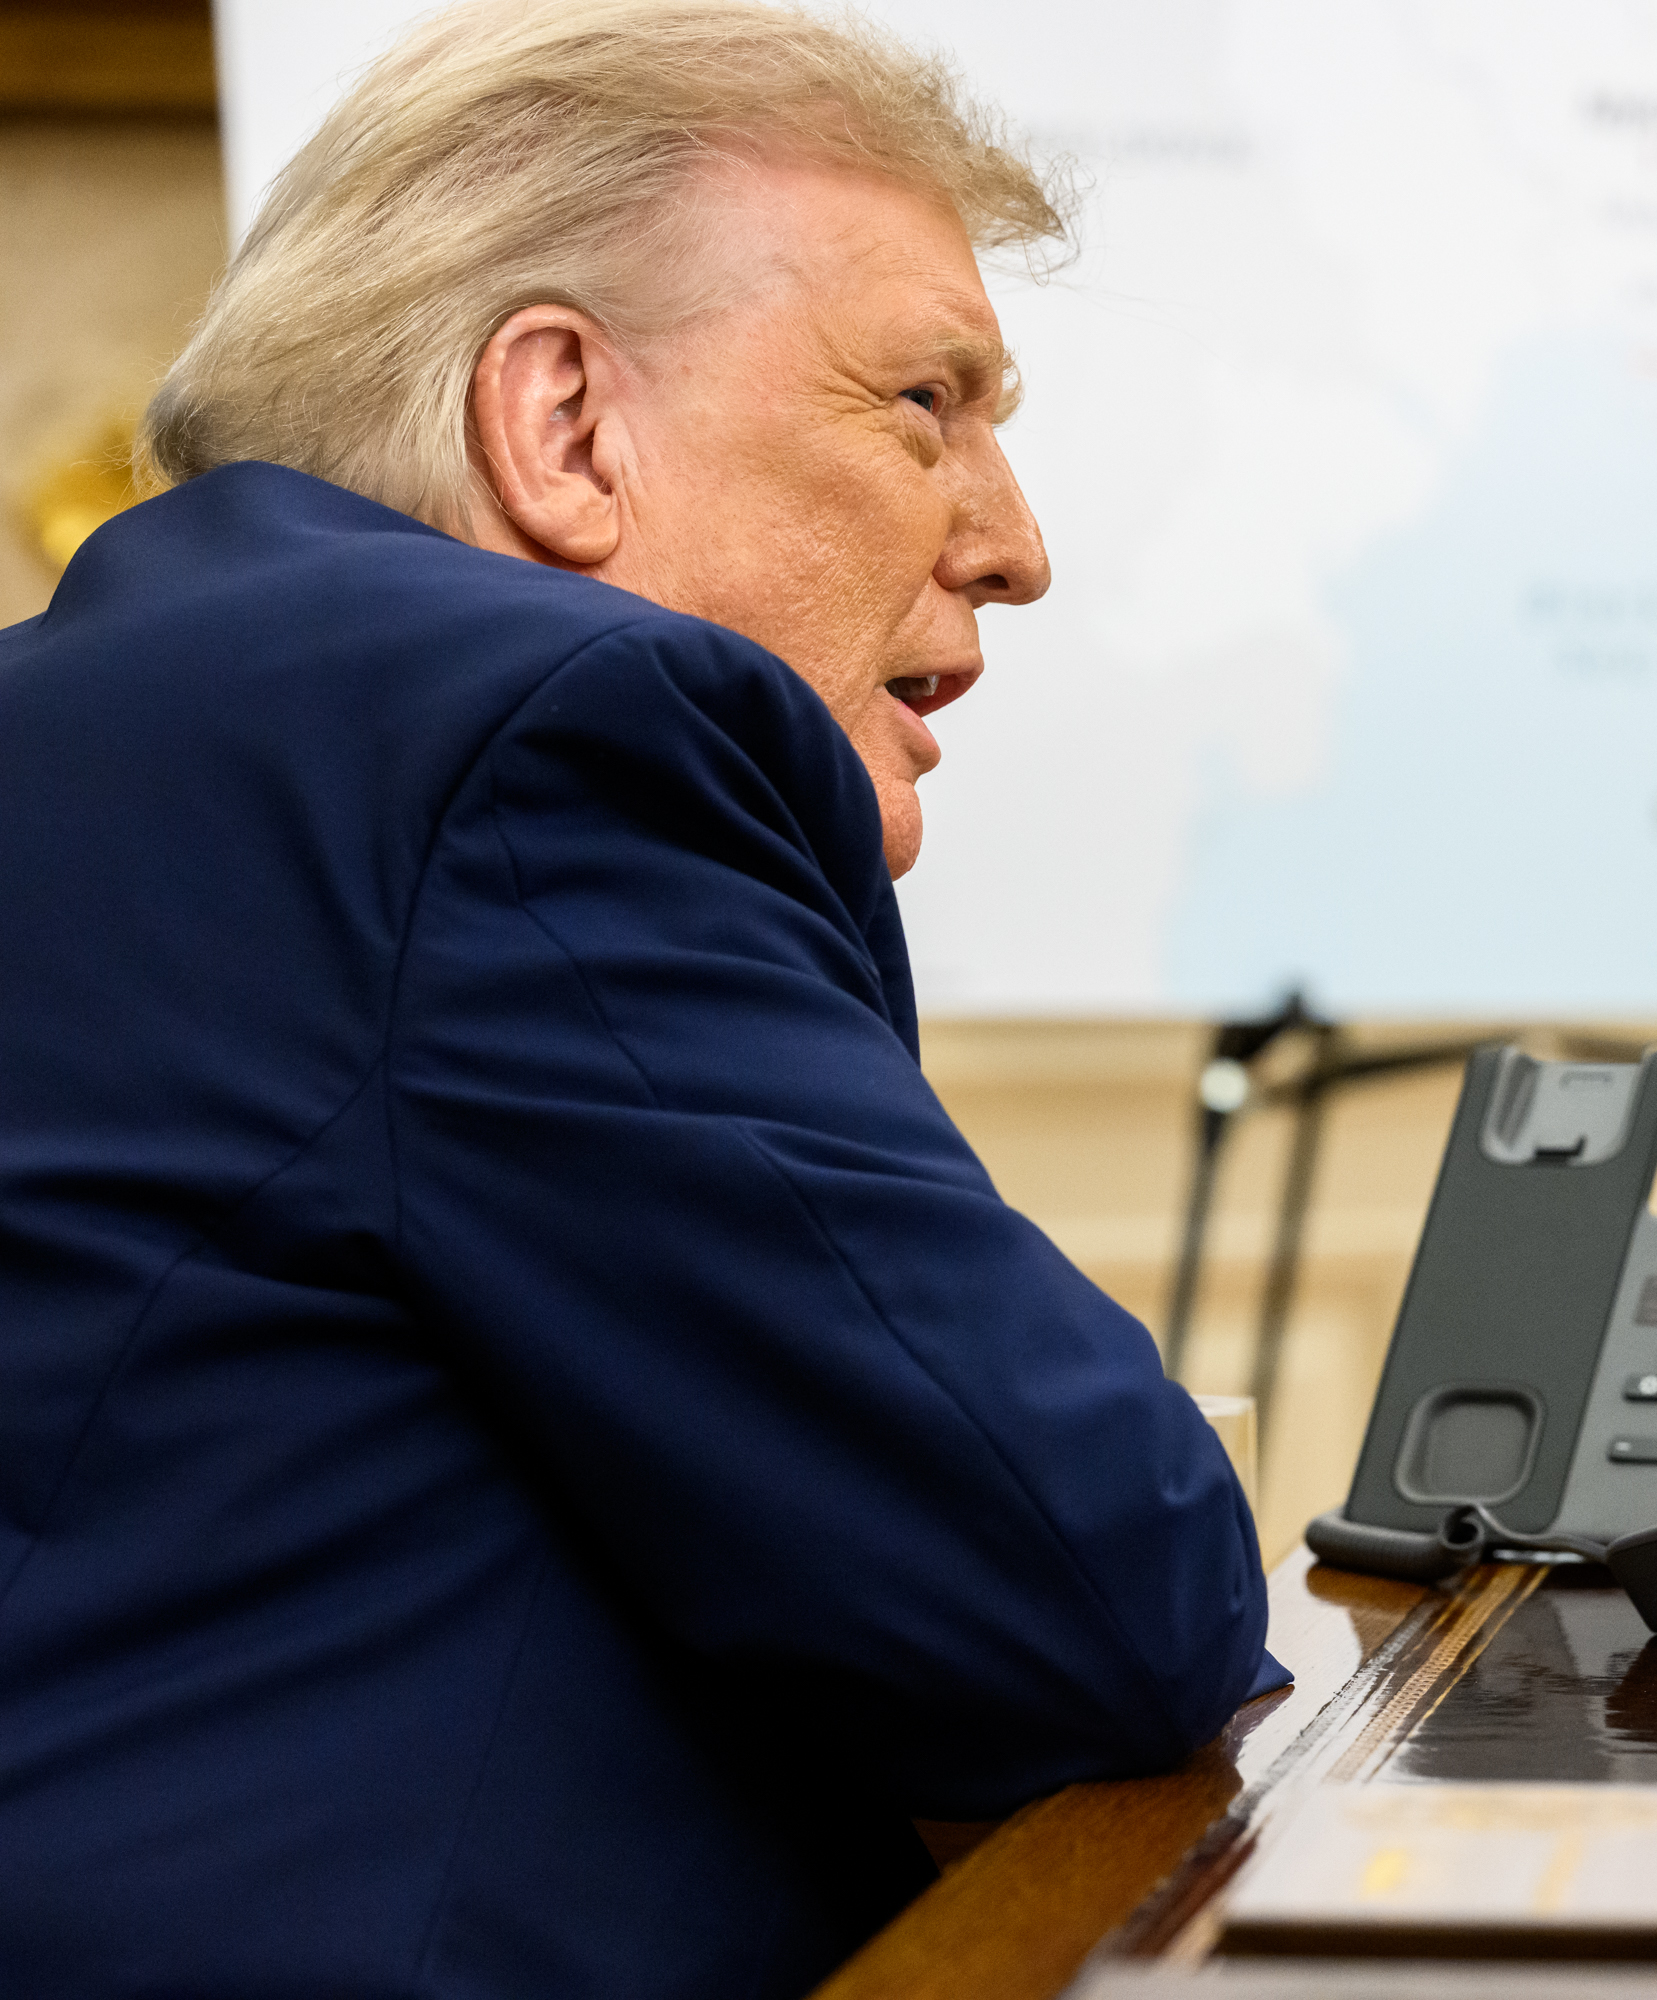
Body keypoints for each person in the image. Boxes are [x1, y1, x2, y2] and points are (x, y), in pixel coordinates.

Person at [0, 3, 1278, 1994]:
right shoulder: (532, 732)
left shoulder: (117, 709)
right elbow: (1100, 1596)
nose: (1014, 545)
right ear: (566, 426)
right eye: (925, 403)